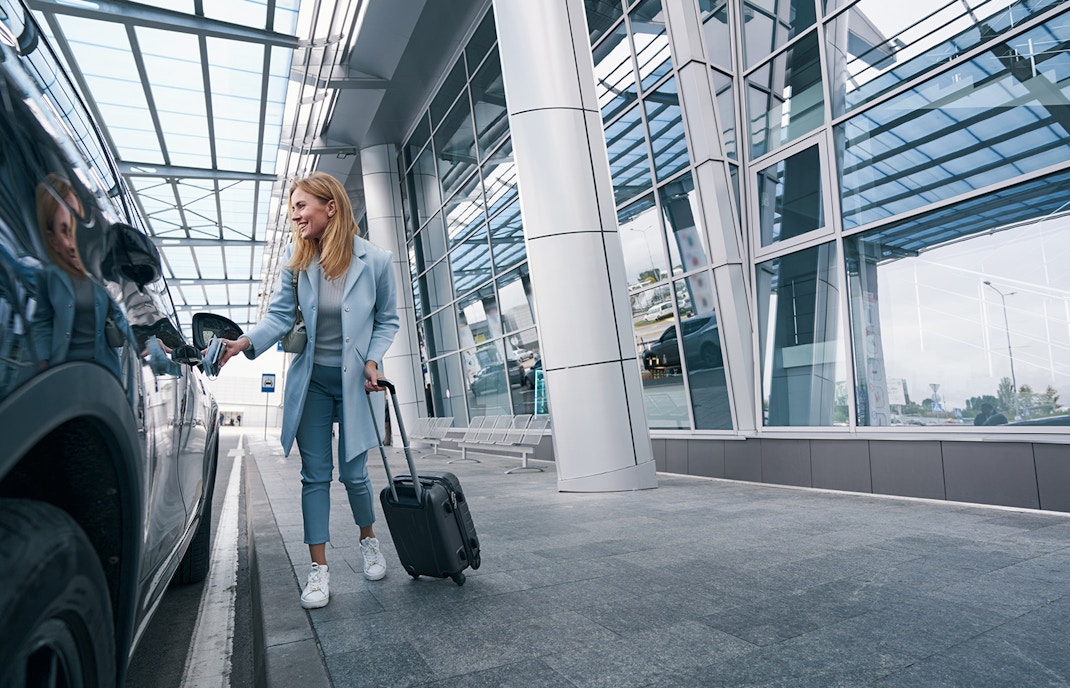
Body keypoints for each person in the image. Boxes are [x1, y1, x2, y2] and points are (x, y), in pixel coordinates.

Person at [215, 172, 399, 609]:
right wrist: (243, 342)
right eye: (292, 208)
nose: (295, 215)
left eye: (301, 206)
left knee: (354, 474)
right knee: (314, 475)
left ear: (330, 207)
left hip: (356, 384)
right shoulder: (296, 258)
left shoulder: (376, 260)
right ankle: (318, 570)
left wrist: (372, 360)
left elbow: (387, 318)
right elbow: (279, 316)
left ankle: (368, 540)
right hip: (312, 381)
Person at [31, 174, 129, 378]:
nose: (74, 240)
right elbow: (42, 321)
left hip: (103, 375)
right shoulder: (48, 276)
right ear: (52, 239)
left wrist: (147, 341)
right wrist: (43, 362)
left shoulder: (102, 271)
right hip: (62, 373)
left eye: (76, 226)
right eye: (65, 231)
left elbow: (122, 315)